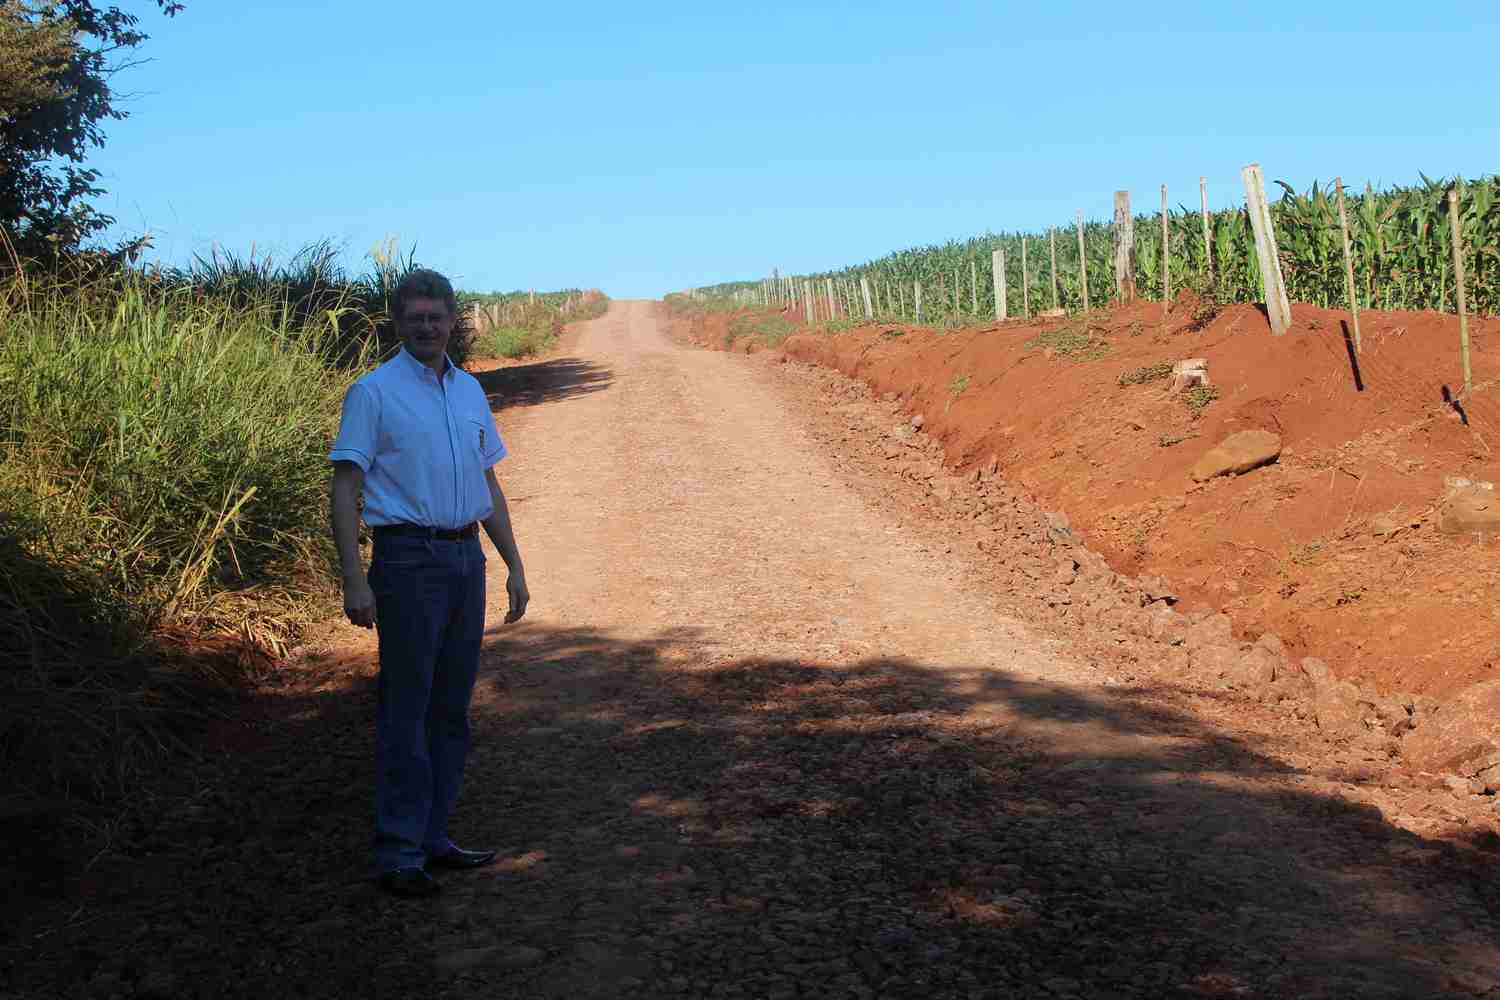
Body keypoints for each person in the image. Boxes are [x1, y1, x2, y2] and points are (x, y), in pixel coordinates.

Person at [328, 269, 529, 898]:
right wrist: (355, 580)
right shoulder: (373, 392)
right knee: (406, 710)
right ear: (397, 321)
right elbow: (343, 487)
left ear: (451, 321)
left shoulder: (469, 391)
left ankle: (435, 837)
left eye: (435, 316)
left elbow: (487, 484)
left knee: (450, 711)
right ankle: (398, 852)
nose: (426, 325)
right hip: (408, 562)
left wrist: (514, 564)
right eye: (414, 316)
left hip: (466, 560)